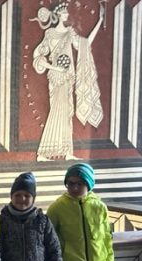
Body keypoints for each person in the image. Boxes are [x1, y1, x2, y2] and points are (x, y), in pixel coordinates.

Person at [32, 1, 104, 161]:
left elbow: (85, 44)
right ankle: (42, 153)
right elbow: (38, 56)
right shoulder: (50, 34)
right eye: (64, 13)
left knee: (67, 114)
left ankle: (67, 152)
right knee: (57, 112)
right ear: (58, 15)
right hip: (56, 78)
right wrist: (54, 67)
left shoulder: (70, 32)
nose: (67, 15)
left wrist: (99, 21)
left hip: (67, 78)